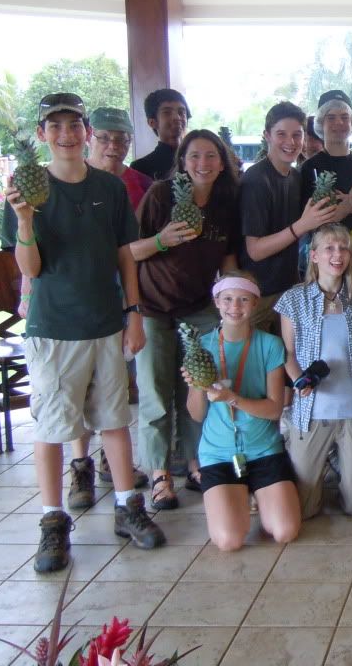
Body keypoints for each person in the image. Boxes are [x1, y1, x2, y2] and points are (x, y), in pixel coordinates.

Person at [2, 92, 165, 573]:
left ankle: (127, 506)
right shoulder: (27, 188)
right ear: (42, 134)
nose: (67, 134)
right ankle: (53, 520)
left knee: (115, 419)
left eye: (74, 125)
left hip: (106, 321)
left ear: (86, 132)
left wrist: (133, 312)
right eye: (55, 127)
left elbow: (124, 254)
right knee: (52, 427)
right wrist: (26, 220)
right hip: (54, 327)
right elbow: (30, 268)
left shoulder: (109, 188)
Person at [132, 129, 241, 509]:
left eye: (211, 156)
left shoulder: (225, 203)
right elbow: (128, 251)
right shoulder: (161, 196)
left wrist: (234, 294)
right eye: (194, 156)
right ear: (182, 161)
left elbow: (228, 259)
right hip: (153, 307)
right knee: (156, 393)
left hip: (199, 306)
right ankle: (159, 473)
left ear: (222, 162)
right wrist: (161, 240)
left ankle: (196, 461)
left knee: (201, 385)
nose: (203, 164)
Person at [64, 106, 151, 509]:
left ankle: (109, 462)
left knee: (114, 389)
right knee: (78, 390)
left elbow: (134, 249)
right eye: (105, 137)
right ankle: (79, 465)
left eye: (121, 139)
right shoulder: (68, 180)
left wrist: (133, 308)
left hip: (124, 297)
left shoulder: (139, 184)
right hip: (77, 301)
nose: (113, 145)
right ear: (89, 137)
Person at [183, 272, 300, 551]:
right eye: (227, 299)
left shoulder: (270, 345)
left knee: (285, 531)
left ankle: (256, 494)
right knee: (229, 540)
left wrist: (232, 398)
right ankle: (239, 496)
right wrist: (198, 385)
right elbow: (196, 415)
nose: (235, 306)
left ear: (255, 303)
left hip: (264, 449)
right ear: (216, 302)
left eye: (243, 299)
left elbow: (274, 409)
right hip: (218, 453)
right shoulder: (201, 347)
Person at [276, 223, 352, 519]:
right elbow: (288, 353)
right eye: (329, 248)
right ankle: (323, 460)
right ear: (314, 256)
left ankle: (338, 464)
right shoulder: (294, 299)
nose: (338, 254)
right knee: (304, 510)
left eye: (343, 248)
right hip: (312, 410)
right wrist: (299, 381)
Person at [240, 101, 337, 332]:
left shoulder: (295, 176)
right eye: (281, 134)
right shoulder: (256, 180)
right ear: (267, 136)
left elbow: (311, 222)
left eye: (297, 135)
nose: (290, 142)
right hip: (259, 294)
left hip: (289, 288)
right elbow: (255, 250)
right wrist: (301, 226)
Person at [299, 91, 352, 270]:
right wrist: (347, 206)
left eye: (345, 117)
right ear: (320, 123)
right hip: (328, 263)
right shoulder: (309, 168)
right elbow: (309, 224)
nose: (339, 123)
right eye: (331, 118)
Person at [130, 89, 191, 180]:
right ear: (152, 122)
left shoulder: (198, 160)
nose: (177, 117)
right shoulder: (140, 168)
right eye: (167, 113)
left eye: (181, 112)